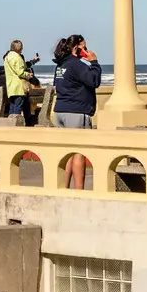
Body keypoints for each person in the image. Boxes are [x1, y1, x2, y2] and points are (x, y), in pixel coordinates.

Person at [52, 34, 101, 189]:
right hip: (76, 111)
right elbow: (94, 81)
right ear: (76, 48)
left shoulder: (60, 65)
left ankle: (63, 189)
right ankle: (79, 192)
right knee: (79, 152)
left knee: (67, 153)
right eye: (84, 47)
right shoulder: (76, 64)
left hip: (61, 111)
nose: (87, 51)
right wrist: (94, 63)